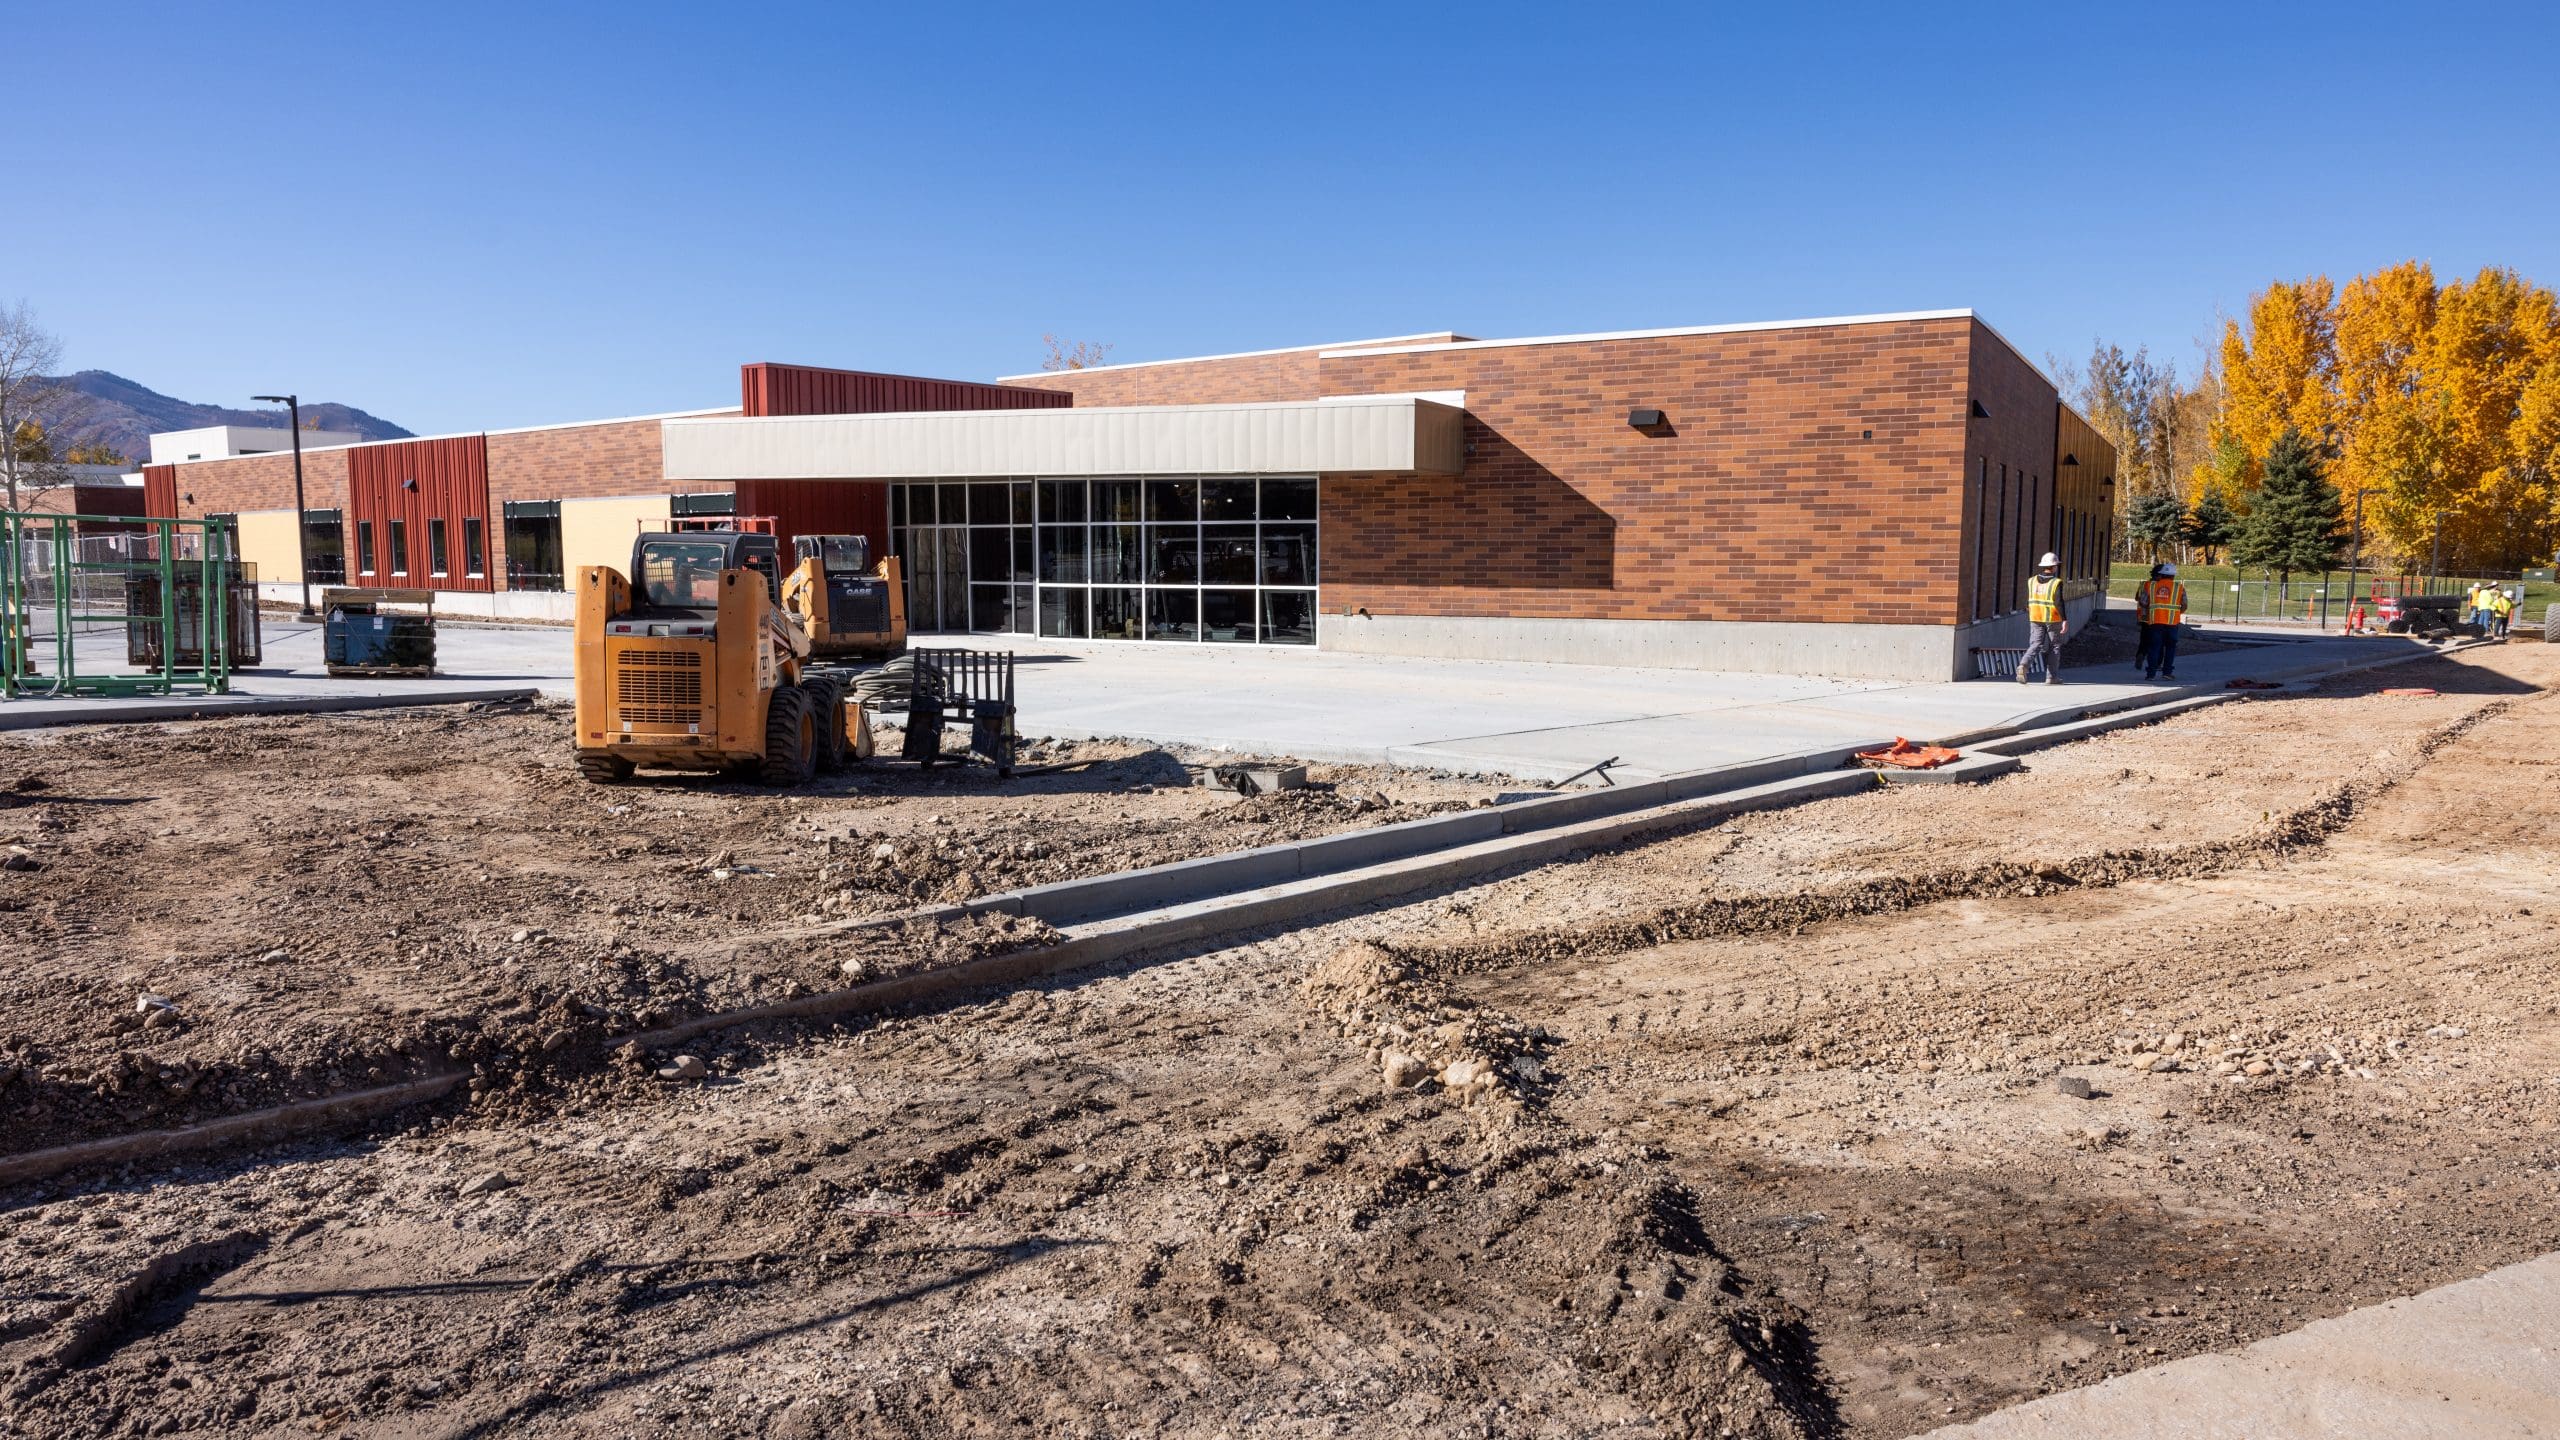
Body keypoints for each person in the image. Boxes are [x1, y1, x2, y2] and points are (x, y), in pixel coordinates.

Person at [2017, 552, 2066, 685]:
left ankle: (2024, 665)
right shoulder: (2056, 582)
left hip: (2035, 617)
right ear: (2054, 566)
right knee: (2054, 646)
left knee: (2036, 644)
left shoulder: (2031, 581)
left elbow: (2027, 600)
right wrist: (2065, 620)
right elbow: (2059, 602)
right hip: (2053, 618)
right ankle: (2051, 677)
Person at [2140, 562, 2188, 679]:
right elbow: (2185, 604)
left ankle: (2150, 674)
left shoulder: (2150, 586)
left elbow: (2143, 602)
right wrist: (2177, 612)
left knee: (2154, 648)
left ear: (2161, 575)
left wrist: (2152, 609)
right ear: (2173, 576)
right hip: (2172, 623)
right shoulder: (2179, 588)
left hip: (2155, 622)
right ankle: (2167, 673)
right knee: (2170, 648)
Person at [2134, 563, 2163, 671]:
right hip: (2158, 618)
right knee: (2159, 641)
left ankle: (2140, 654)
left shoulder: (2143, 584)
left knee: (2144, 639)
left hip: (2144, 618)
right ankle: (2157, 663)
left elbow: (2137, 598)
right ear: (2160, 575)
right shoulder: (2159, 586)